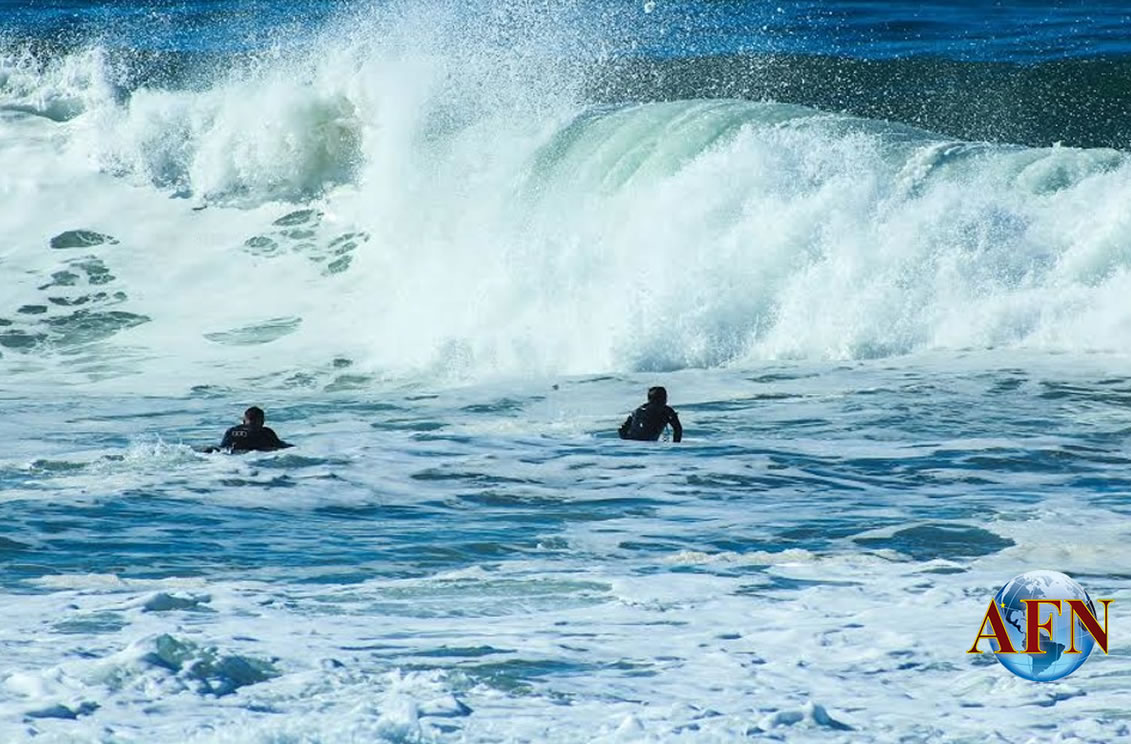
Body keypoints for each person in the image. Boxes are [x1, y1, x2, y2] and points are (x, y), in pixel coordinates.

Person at [205, 406, 292, 453]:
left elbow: (222, 448)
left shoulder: (232, 431)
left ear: (243, 421)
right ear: (262, 421)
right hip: (251, 456)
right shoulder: (265, 432)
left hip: (228, 456)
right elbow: (280, 446)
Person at [618, 386, 682, 442]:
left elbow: (622, 428)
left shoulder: (639, 410)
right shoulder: (666, 410)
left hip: (632, 440)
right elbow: (678, 429)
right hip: (641, 441)